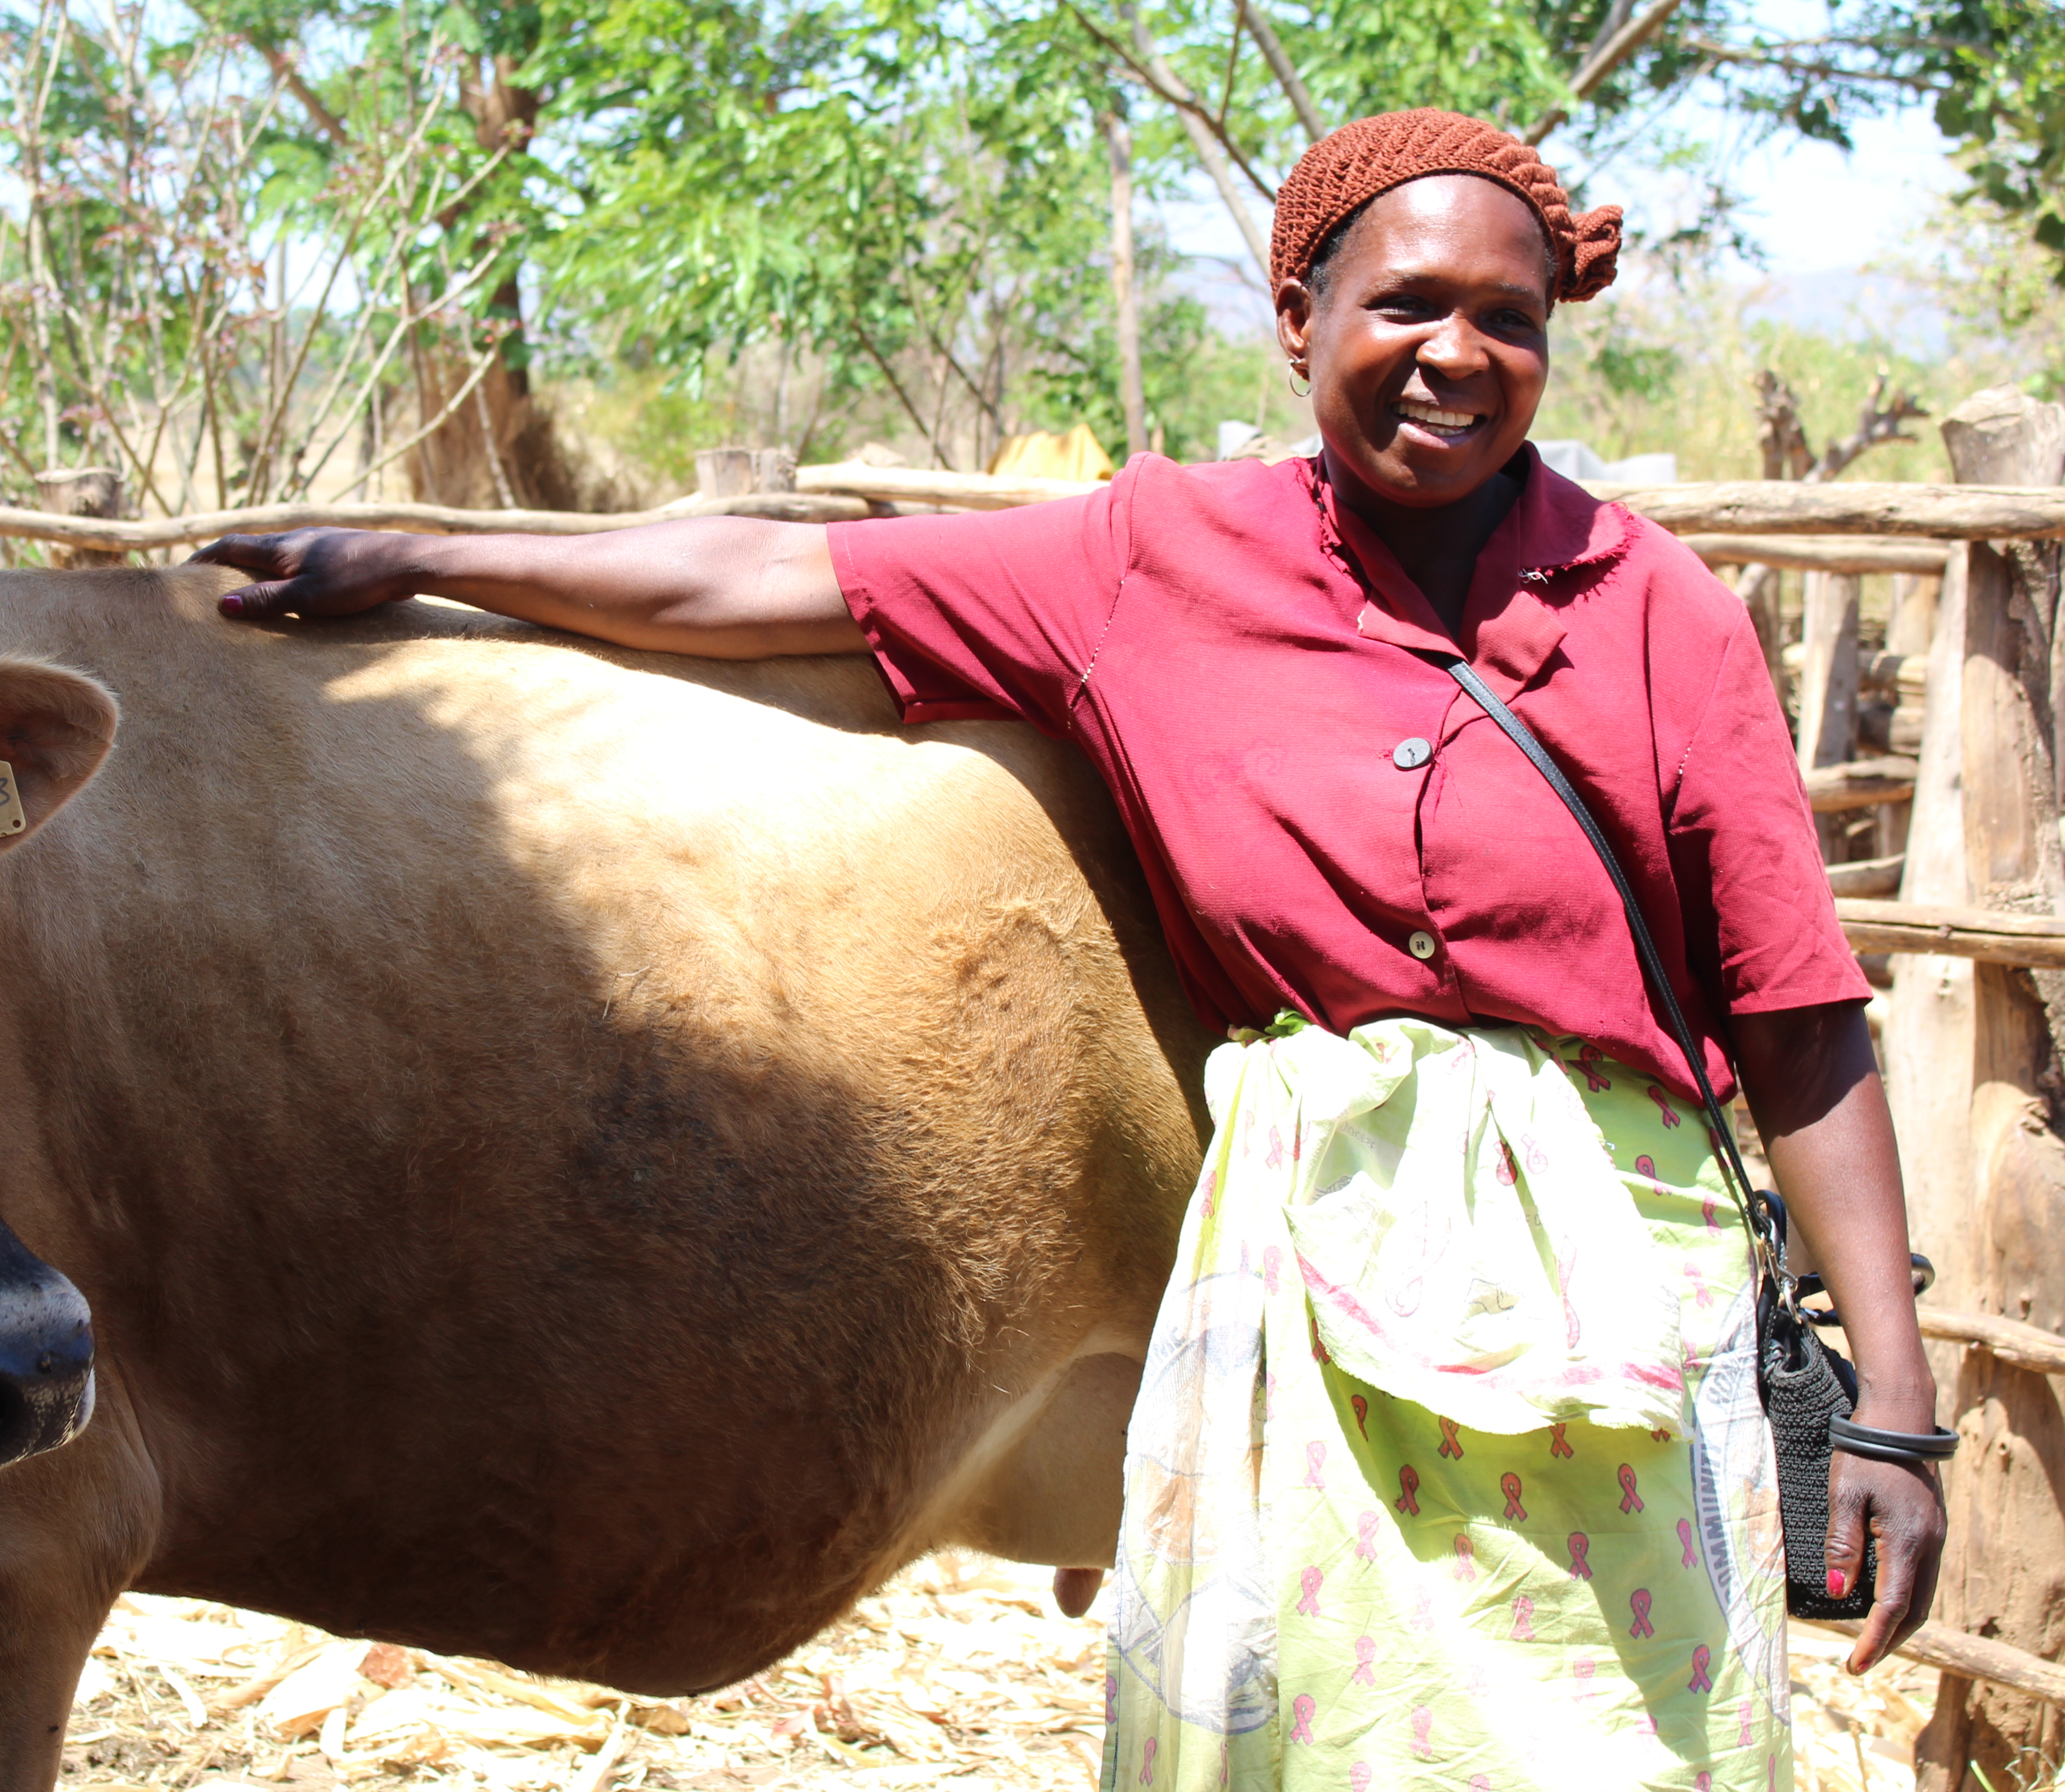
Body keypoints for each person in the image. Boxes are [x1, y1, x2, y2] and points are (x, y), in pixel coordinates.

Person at [191, 107, 1945, 1792]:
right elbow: (759, 579)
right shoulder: (1146, 563)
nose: (1457, 356)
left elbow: (1799, 1019)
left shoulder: (1659, 611)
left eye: (1511, 319)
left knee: (1618, 1748)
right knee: (1315, 1742)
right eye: (1407, 304)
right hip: (1312, 1283)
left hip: (1617, 1297)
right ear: (1299, 318)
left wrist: (1894, 1407)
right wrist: (427, 554)